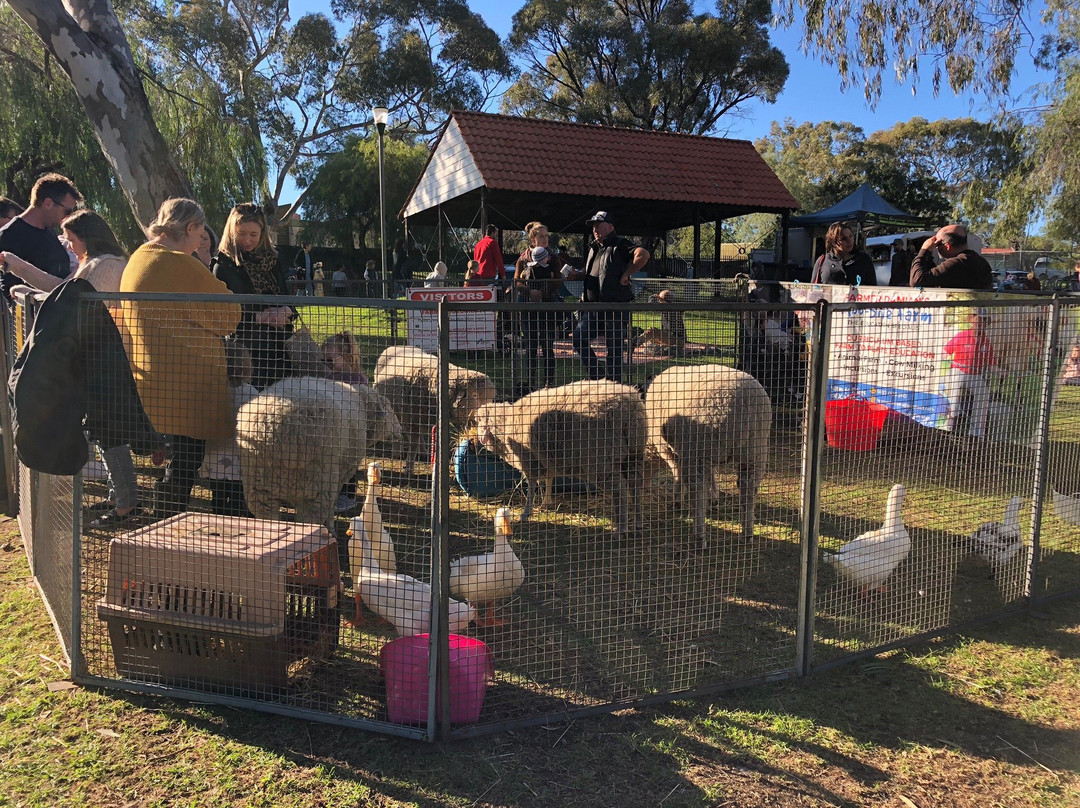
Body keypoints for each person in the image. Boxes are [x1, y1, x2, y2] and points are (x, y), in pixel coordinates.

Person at [120, 198, 241, 520]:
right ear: (190, 228)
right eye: (200, 233)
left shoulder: (138, 258)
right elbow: (230, 314)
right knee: (187, 457)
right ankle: (166, 520)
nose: (200, 241)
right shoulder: (180, 264)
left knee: (179, 456)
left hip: (153, 380)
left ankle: (166, 517)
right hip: (187, 384)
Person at [212, 203, 295, 390]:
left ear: (262, 234)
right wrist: (259, 317)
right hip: (246, 355)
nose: (247, 240)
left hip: (281, 351)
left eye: (253, 235)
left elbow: (288, 299)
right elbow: (222, 315)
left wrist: (286, 310)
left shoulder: (273, 261)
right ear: (231, 232)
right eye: (242, 234)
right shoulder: (223, 266)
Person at [564, 211, 650, 383]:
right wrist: (576, 275)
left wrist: (626, 273)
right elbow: (591, 273)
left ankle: (615, 389)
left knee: (615, 351)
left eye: (598, 225)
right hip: (593, 308)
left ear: (610, 226)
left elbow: (644, 255)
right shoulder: (594, 248)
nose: (595, 229)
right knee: (579, 339)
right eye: (593, 226)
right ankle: (601, 379)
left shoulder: (621, 244)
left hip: (615, 307)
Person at [199, 338, 258, 516]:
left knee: (218, 494)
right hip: (239, 456)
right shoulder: (250, 392)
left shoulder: (210, 391)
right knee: (239, 494)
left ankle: (219, 519)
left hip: (213, 454)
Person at [0, 173, 82, 289]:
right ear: (48, 203)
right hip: (36, 306)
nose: (69, 218)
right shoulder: (10, 235)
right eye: (67, 212)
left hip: (63, 304)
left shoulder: (50, 231)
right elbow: (9, 288)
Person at [943, 308, 999, 438]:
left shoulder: (986, 342)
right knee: (955, 394)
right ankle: (948, 426)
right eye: (979, 319)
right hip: (958, 371)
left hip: (976, 375)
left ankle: (976, 433)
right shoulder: (961, 335)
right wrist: (945, 365)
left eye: (984, 320)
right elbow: (946, 351)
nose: (981, 322)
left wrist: (1002, 372)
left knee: (984, 393)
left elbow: (992, 365)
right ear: (971, 319)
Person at [515, 245, 563, 392]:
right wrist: (532, 292)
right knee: (538, 346)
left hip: (541, 310)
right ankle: (537, 383)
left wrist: (537, 292)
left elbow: (558, 281)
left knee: (541, 346)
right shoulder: (523, 259)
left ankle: (542, 383)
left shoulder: (552, 260)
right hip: (535, 310)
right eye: (541, 236)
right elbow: (516, 281)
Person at [909, 224, 994, 290]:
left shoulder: (957, 263)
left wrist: (924, 250)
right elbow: (933, 275)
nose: (936, 248)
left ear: (947, 246)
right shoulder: (979, 261)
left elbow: (916, 280)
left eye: (937, 244)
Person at [811, 222, 876, 286]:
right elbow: (813, 289)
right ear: (833, 242)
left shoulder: (863, 259)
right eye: (843, 239)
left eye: (850, 236)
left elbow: (873, 289)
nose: (849, 241)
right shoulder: (823, 261)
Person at [638, 289, 686, 355]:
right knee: (650, 340)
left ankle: (634, 343)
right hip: (669, 338)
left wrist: (653, 298)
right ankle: (660, 349)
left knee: (652, 331)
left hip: (677, 339)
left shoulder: (673, 308)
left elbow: (651, 305)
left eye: (659, 299)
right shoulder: (668, 307)